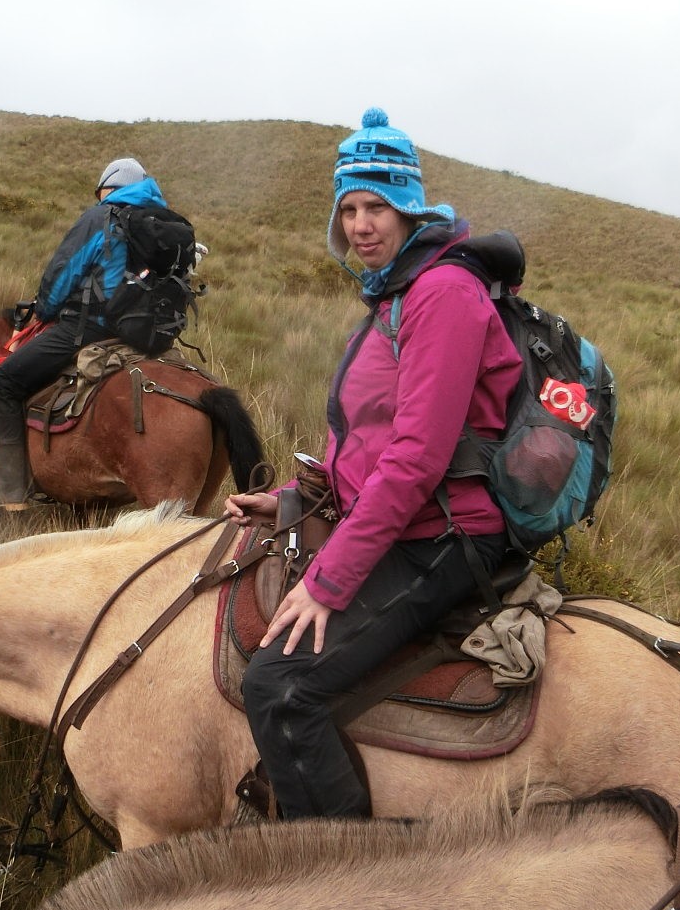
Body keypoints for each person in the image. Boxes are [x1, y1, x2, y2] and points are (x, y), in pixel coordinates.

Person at [224, 108, 522, 819]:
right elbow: (370, 436)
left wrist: (328, 583)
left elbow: (417, 459)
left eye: (378, 205)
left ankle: (346, 886)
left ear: (409, 206)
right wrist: (296, 494)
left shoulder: (442, 294)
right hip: (410, 520)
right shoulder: (397, 290)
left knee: (279, 686)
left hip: (447, 535)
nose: (361, 223)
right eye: (349, 208)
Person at [0, 157, 176, 511]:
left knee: (2, 384)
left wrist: (44, 310)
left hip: (89, 329)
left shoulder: (103, 217)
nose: (99, 197)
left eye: (100, 190)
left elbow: (63, 273)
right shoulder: (162, 222)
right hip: (148, 336)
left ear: (111, 187)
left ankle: (12, 495)